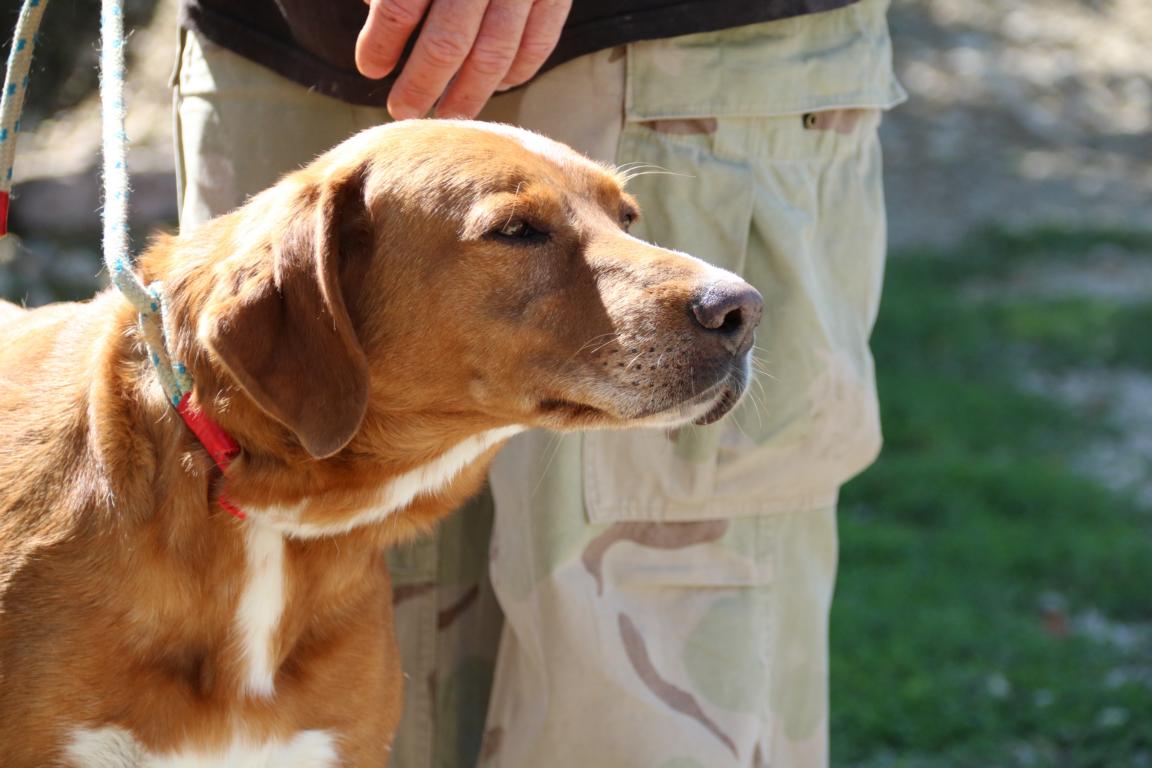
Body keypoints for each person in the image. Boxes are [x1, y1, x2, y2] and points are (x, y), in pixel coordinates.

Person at [172, 1, 905, 765]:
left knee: (632, 708)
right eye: (521, 230)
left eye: (627, 218)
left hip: (656, 44)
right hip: (273, 45)